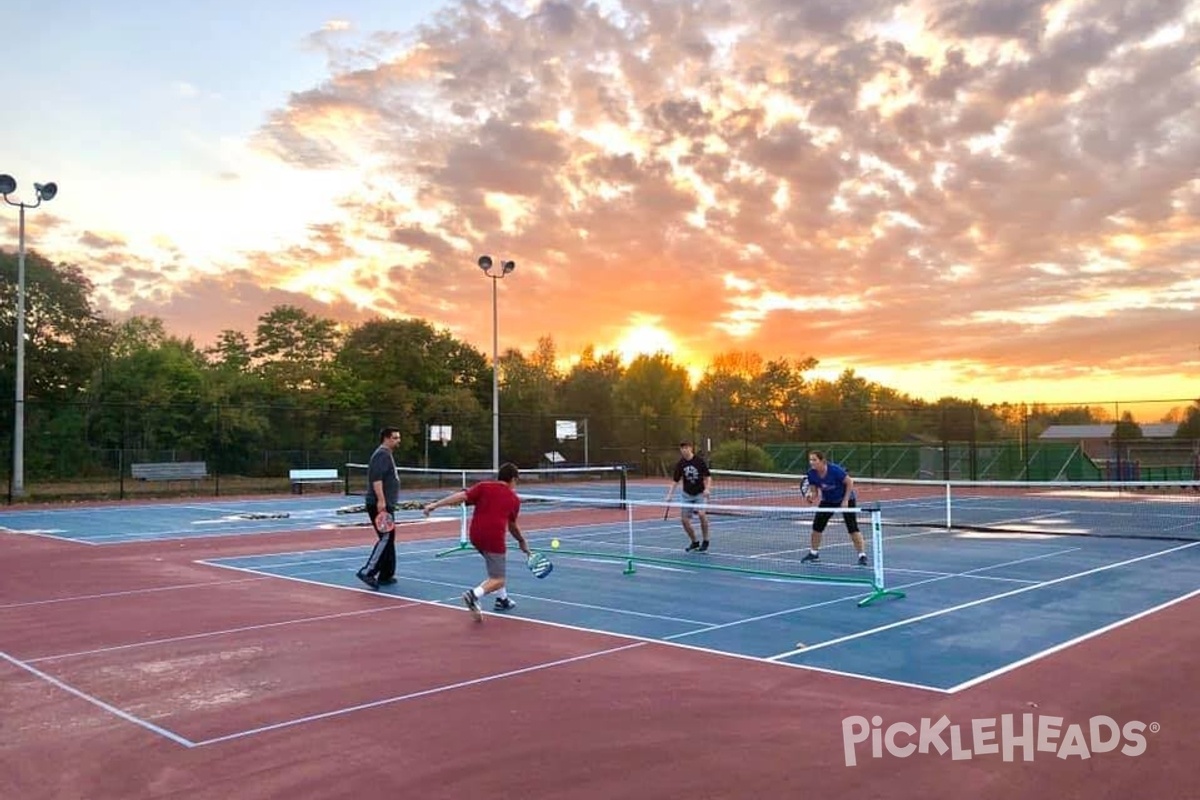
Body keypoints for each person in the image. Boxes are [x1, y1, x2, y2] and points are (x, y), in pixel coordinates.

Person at [422, 462, 530, 621]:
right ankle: (473, 595)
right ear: (513, 479)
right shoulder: (514, 499)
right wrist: (522, 541)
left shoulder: (483, 486)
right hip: (494, 537)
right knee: (498, 579)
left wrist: (435, 505)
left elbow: (461, 496)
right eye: (516, 480)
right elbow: (512, 526)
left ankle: (502, 599)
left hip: (475, 536)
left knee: (494, 568)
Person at [801, 450, 867, 566]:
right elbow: (814, 491)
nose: (812, 462)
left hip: (846, 499)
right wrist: (810, 497)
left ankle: (862, 555)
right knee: (817, 527)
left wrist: (845, 500)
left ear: (822, 461)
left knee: (852, 528)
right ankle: (814, 553)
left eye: (814, 460)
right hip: (828, 501)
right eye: (810, 460)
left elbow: (849, 482)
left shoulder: (834, 470)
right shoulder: (811, 474)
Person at [355, 427, 402, 589]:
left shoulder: (387, 454)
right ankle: (367, 571)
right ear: (386, 438)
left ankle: (386, 574)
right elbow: (377, 479)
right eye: (395, 438)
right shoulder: (381, 454)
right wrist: (381, 501)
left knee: (389, 538)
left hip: (387, 503)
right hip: (379, 504)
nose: (398, 440)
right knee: (386, 537)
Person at [664, 441, 711, 552]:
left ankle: (706, 540)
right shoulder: (680, 464)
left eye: (685, 448)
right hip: (687, 495)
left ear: (690, 448)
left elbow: (708, 477)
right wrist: (669, 495)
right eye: (682, 448)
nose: (683, 450)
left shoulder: (699, 461)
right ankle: (695, 542)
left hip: (700, 493)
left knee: (701, 514)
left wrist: (707, 488)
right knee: (684, 520)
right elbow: (675, 481)